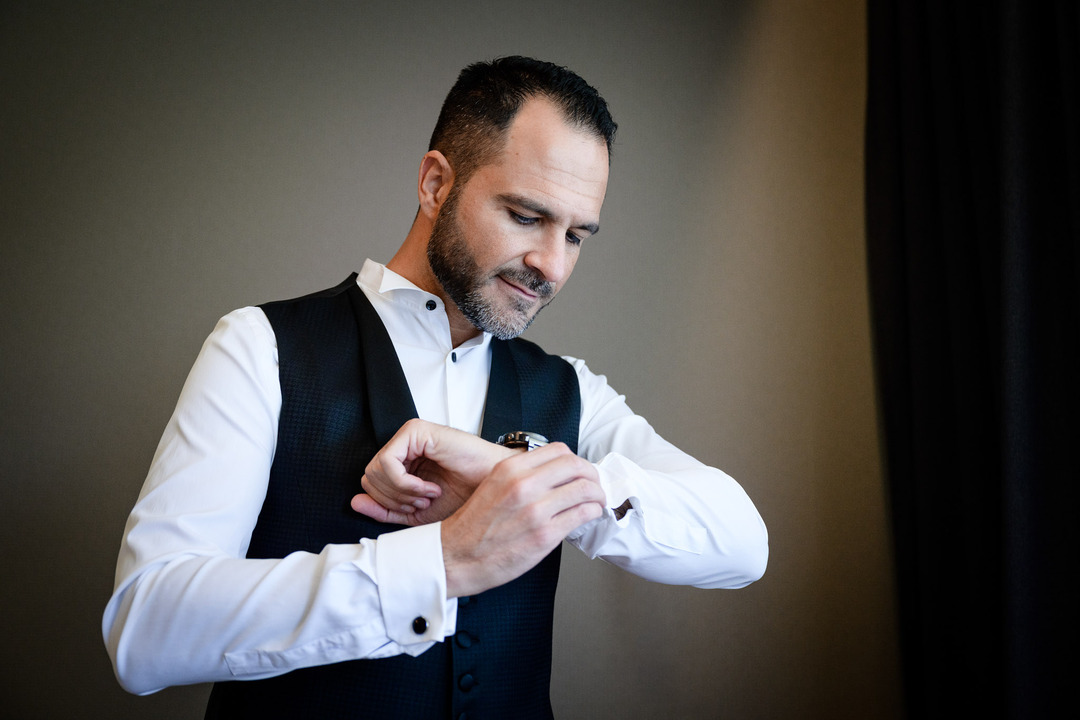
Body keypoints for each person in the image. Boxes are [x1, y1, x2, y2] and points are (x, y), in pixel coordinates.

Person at [103, 56, 768, 719]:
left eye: (576, 234)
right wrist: (441, 563)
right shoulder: (259, 347)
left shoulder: (572, 393)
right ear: (434, 184)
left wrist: (528, 483)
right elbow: (144, 630)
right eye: (526, 215)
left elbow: (742, 544)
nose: (553, 265)